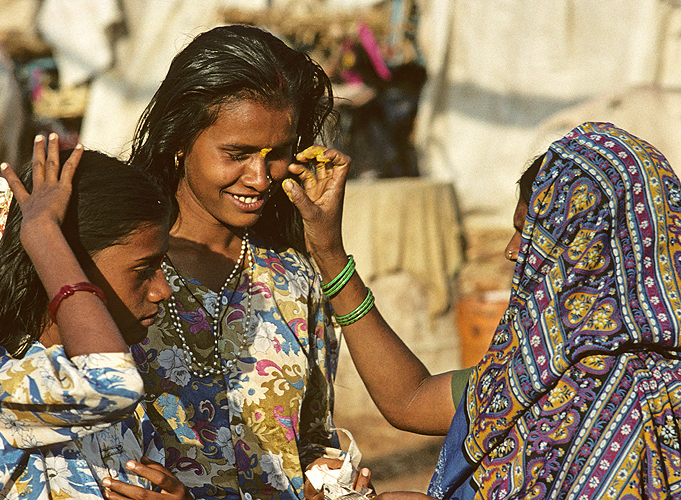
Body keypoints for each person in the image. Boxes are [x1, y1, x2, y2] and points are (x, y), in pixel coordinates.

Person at [290, 121, 681, 499]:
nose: (512, 251)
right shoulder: (536, 370)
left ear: (585, 252)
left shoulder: (636, 404)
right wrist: (329, 255)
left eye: (527, 234)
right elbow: (410, 399)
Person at [127, 24, 344, 500]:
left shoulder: (295, 278)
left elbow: (313, 441)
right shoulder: (124, 273)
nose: (261, 178)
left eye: (279, 154)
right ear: (180, 139)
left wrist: (332, 482)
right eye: (238, 154)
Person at [0, 135, 190, 499]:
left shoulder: (126, 398)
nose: (163, 290)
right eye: (144, 269)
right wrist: (44, 233)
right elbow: (110, 384)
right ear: (68, 266)